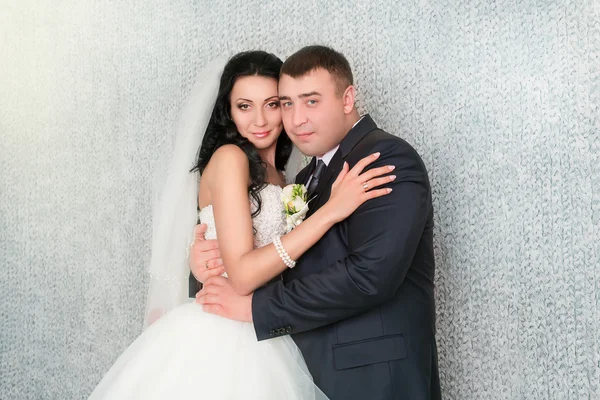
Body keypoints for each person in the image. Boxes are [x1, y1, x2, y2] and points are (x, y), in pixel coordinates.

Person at [88, 50, 392, 400]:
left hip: (269, 326)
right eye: (244, 106)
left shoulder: (286, 176)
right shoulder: (230, 159)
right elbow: (244, 274)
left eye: (273, 104)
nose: (259, 120)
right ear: (229, 113)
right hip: (226, 336)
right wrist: (329, 212)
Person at [193, 45, 442, 400]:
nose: (296, 120)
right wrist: (205, 263)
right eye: (289, 103)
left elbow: (370, 276)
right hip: (302, 368)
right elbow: (264, 259)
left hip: (374, 376)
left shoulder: (383, 158)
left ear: (347, 99)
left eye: (311, 101)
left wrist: (257, 308)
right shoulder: (306, 176)